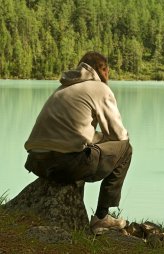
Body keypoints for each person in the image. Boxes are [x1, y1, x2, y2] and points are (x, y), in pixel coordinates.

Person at [24, 51, 132, 235]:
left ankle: (77, 213)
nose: (109, 76)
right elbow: (119, 135)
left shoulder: (63, 88)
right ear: (102, 70)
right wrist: (108, 139)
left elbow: (76, 132)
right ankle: (101, 217)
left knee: (83, 149)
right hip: (64, 164)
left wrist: (98, 138)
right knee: (126, 149)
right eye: (108, 71)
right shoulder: (99, 88)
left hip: (36, 161)